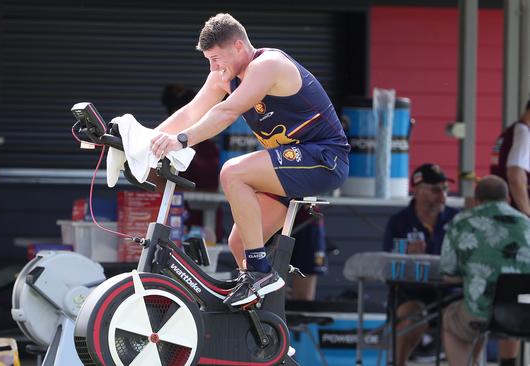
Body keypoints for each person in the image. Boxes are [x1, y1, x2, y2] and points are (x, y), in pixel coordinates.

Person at [150, 13, 349, 307]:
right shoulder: (224, 76)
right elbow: (191, 112)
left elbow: (226, 113)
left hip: (323, 156)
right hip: (290, 163)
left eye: (216, 58)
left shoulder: (268, 65)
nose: (214, 67)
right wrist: (146, 141)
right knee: (239, 242)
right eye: (208, 60)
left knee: (233, 172)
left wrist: (181, 140)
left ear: (239, 47)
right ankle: (259, 322)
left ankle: (258, 273)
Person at [440, 175, 530, 366]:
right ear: (508, 199)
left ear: (477, 200)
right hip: (523, 311)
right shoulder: (526, 223)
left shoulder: (461, 222)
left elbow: (448, 274)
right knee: (512, 299)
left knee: (451, 320)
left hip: (479, 313)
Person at [382, 163, 460, 365]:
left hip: (450, 291)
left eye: (444, 188)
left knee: (467, 318)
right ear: (417, 190)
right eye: (435, 189)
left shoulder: (457, 219)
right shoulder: (399, 221)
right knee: (413, 316)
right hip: (411, 291)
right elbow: (387, 262)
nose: (442, 193)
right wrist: (406, 253)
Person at [490, 99, 530, 217]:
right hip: (515, 214)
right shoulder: (523, 133)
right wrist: (527, 214)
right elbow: (516, 177)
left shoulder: (511, 131)